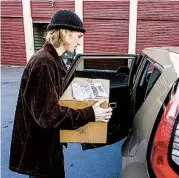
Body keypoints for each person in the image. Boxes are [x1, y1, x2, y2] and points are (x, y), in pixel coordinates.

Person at [9, 9, 112, 178]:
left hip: (47, 147)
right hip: (40, 153)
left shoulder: (53, 60)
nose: (79, 43)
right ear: (65, 34)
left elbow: (58, 97)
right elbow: (48, 116)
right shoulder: (44, 63)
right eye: (78, 37)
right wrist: (91, 113)